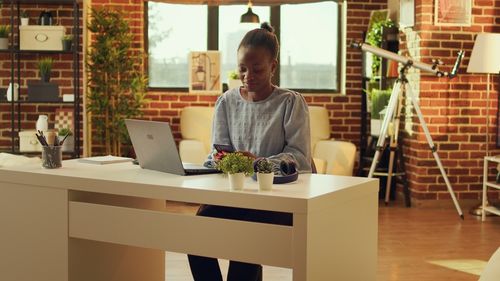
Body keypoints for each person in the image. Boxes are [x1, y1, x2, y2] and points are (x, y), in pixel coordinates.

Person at [187, 22, 311, 281]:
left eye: (257, 69)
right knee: (195, 232)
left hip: (275, 200)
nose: (248, 76)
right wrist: (204, 166)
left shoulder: (290, 102)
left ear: (273, 67)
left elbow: (299, 157)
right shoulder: (226, 102)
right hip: (235, 197)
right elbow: (218, 153)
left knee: (247, 240)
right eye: (242, 69)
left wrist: (260, 163)